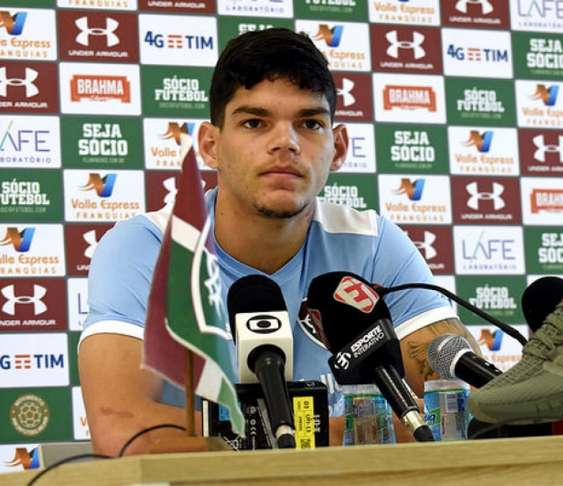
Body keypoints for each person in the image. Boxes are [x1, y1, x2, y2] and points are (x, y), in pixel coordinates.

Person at [78, 28, 479, 456]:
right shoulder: (147, 248)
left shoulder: (374, 246)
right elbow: (122, 427)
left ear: (337, 147)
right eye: (255, 122)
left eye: (309, 124)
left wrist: (259, 431)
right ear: (211, 146)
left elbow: (459, 410)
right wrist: (339, 428)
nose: (285, 143)